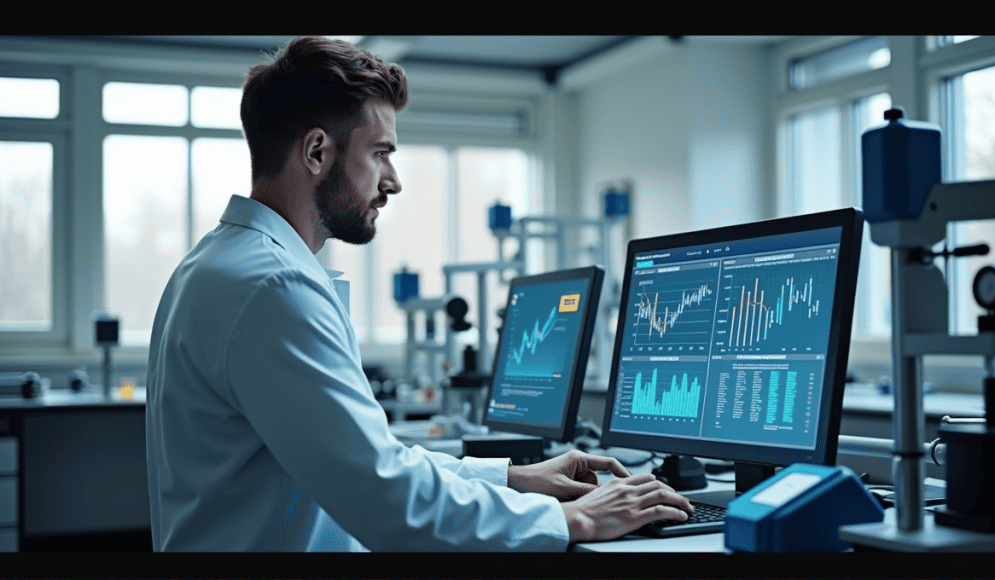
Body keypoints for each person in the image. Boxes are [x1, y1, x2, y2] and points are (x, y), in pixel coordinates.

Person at [146, 35, 693, 552]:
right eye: (380, 152)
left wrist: (511, 476)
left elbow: (367, 459)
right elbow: (389, 499)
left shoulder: (215, 265)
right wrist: (575, 518)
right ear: (316, 151)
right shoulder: (273, 287)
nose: (393, 180)